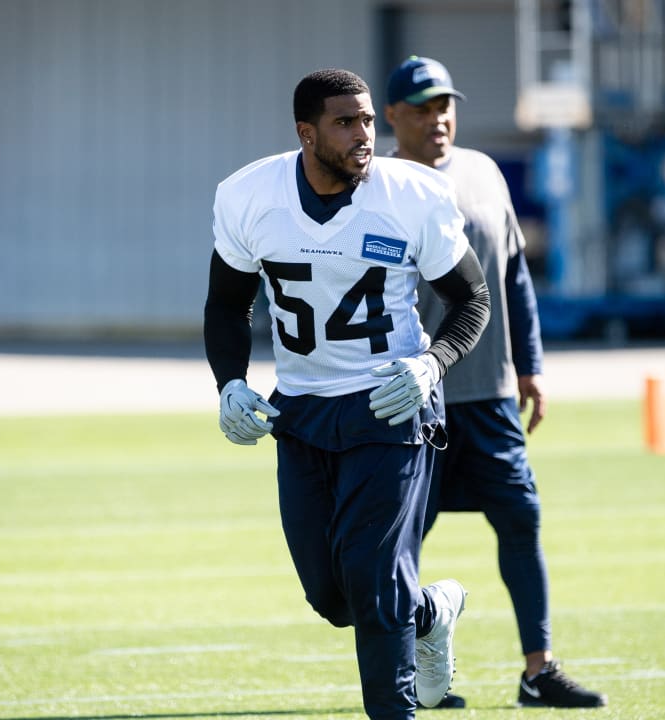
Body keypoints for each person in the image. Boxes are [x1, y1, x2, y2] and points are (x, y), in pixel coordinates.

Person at [204, 67, 492, 720]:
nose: (365, 135)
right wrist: (229, 384)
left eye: (367, 120)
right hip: (302, 409)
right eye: (345, 122)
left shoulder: (413, 194)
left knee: (370, 572)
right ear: (306, 133)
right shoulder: (250, 195)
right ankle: (431, 610)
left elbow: (470, 300)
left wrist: (431, 365)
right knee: (333, 598)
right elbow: (226, 307)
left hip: (391, 400)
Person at [384, 56, 608, 709]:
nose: (437, 118)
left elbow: (514, 277)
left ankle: (538, 670)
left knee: (521, 518)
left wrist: (530, 365)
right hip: (412, 403)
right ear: (393, 116)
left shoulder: (483, 172)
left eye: (444, 105)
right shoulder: (379, 185)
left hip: (488, 395)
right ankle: (411, 677)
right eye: (422, 108)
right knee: (397, 544)